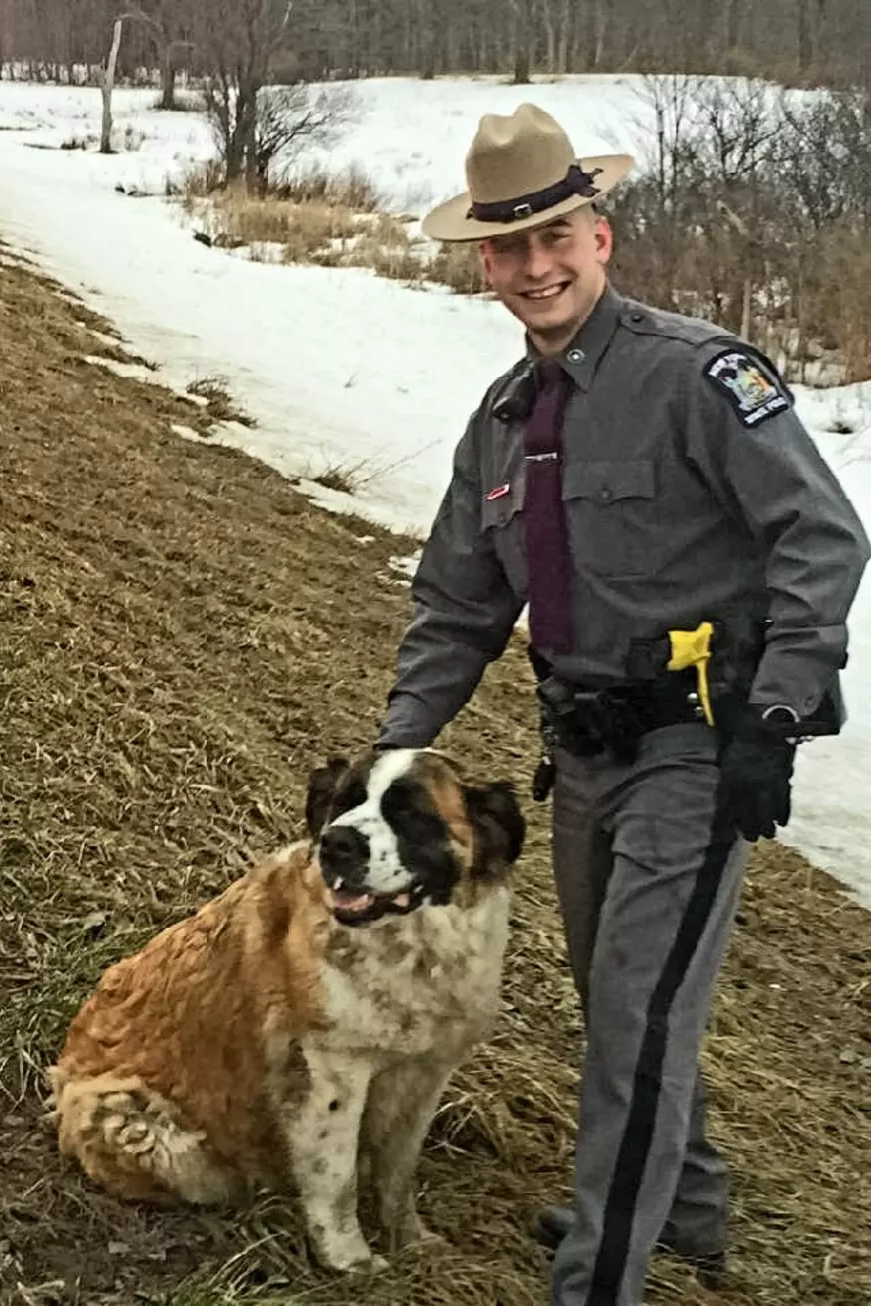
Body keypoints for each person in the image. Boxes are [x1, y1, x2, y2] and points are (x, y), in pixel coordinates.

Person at [376, 103, 870, 1306]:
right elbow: (456, 604)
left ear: (601, 234)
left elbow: (820, 532)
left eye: (558, 236)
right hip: (582, 749)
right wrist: (395, 750)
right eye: (509, 249)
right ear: (483, 264)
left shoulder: (698, 377)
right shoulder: (497, 423)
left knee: (634, 1013)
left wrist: (777, 714)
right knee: (620, 1000)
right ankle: (685, 1203)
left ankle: (601, 1274)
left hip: (698, 746)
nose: (536, 267)